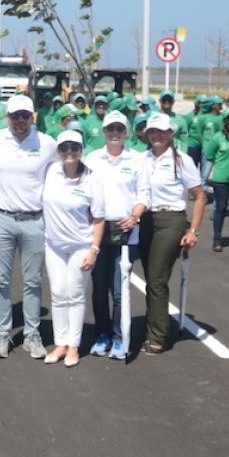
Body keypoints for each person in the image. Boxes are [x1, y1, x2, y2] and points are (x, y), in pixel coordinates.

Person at [0, 94, 53, 359]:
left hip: (34, 220)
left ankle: (32, 336)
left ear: (32, 116)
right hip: (1, 219)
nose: (20, 120)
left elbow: (59, 174)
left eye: (25, 115)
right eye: (15, 116)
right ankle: (2, 335)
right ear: (7, 117)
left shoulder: (47, 143)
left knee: (33, 281)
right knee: (0, 282)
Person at [84, 110, 149, 360]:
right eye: (110, 129)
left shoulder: (137, 160)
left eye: (119, 130)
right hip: (99, 232)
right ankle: (102, 334)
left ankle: (120, 337)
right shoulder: (92, 159)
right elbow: (85, 192)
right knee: (99, 288)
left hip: (125, 233)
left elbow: (144, 193)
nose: (114, 134)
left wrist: (134, 216)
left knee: (120, 289)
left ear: (127, 133)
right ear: (103, 132)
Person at [139, 113, 205, 355]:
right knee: (150, 278)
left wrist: (193, 230)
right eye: (152, 131)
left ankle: (158, 336)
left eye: (162, 131)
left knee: (157, 279)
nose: (157, 136)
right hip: (146, 220)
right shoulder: (142, 159)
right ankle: (152, 325)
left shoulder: (181, 160)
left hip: (170, 220)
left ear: (171, 134)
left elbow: (199, 197)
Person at [41, 130, 103, 367]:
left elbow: (99, 218)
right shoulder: (51, 172)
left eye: (74, 148)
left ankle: (74, 346)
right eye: (64, 148)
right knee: (58, 293)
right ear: (58, 151)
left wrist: (94, 250)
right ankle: (60, 343)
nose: (69, 152)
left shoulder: (91, 179)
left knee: (75, 294)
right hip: (54, 245)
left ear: (80, 150)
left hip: (81, 245)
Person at [203, 109, 229, 252]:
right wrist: (203, 179)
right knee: (220, 208)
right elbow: (209, 156)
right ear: (224, 121)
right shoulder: (217, 138)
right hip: (221, 179)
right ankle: (217, 238)